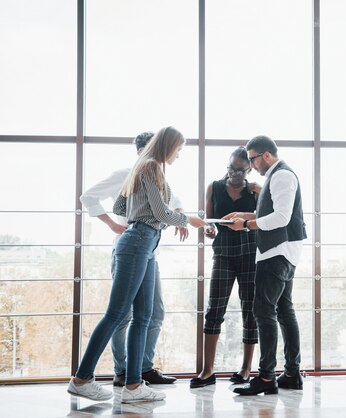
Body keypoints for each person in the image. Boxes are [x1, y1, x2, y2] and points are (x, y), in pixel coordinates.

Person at [67, 126, 206, 402]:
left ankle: (133, 386)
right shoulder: (153, 166)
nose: (178, 155)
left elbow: (120, 208)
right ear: (167, 145)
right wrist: (189, 220)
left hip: (145, 242)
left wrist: (141, 211)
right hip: (139, 241)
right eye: (178, 150)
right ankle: (81, 379)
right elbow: (160, 212)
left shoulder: (141, 169)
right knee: (117, 314)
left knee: (143, 316)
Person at [224, 135, 307, 396]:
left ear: (266, 155)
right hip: (283, 251)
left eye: (252, 159)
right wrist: (245, 216)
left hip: (276, 252)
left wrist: (247, 225)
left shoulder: (281, 175)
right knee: (283, 310)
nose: (250, 165)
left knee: (263, 311)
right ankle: (291, 374)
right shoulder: (278, 175)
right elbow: (273, 214)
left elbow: (281, 218)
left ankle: (267, 377)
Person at [190, 147, 261, 389]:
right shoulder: (214, 187)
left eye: (241, 170)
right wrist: (208, 230)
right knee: (214, 309)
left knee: (250, 310)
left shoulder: (255, 191)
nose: (235, 174)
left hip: (250, 254)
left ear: (249, 168)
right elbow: (208, 223)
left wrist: (259, 196)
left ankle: (246, 369)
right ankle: (207, 371)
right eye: (232, 168)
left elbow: (265, 221)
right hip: (223, 253)